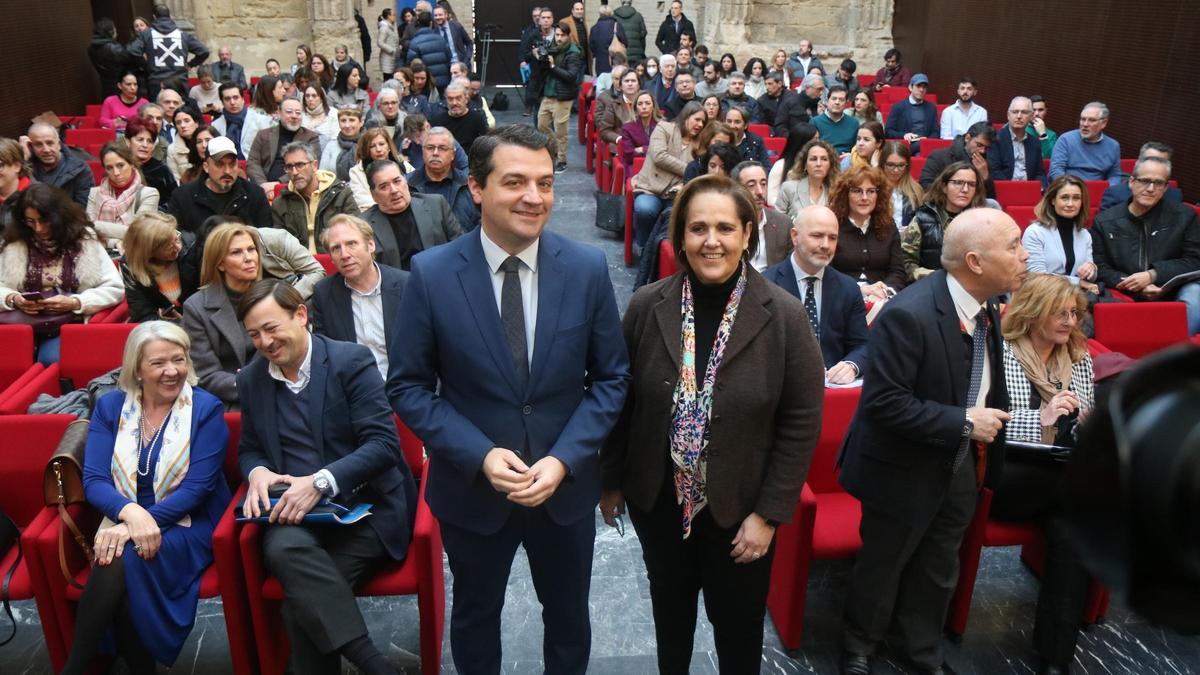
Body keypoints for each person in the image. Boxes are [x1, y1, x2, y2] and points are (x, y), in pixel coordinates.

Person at [388, 123, 630, 675]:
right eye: (516, 181)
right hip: (474, 493)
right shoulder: (432, 273)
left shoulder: (587, 269)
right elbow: (406, 386)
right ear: (476, 188)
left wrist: (565, 458)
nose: (534, 197)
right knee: (475, 617)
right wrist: (480, 454)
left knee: (569, 618)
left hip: (562, 492)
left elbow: (612, 379)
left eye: (545, 183)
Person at [603, 174, 820, 672]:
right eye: (697, 228)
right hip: (660, 501)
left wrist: (768, 516)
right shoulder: (646, 304)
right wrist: (611, 480)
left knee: (738, 634)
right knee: (670, 624)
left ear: (748, 234)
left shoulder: (784, 316)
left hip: (741, 513)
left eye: (725, 227)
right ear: (680, 237)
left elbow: (801, 421)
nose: (711, 240)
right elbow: (622, 399)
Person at [840, 208, 1027, 675]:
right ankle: (858, 647)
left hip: (960, 464)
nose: (1025, 256)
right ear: (975, 261)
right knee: (883, 566)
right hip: (900, 468)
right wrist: (965, 421)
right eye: (1014, 246)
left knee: (939, 567)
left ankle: (921, 651)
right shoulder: (908, 314)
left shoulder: (987, 306)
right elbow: (884, 404)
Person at [237, 279, 416, 675]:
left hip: (364, 509)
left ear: (301, 315)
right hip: (296, 514)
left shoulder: (350, 361)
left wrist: (320, 482)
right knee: (282, 548)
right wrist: (258, 472)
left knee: (301, 608)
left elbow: (384, 445)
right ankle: (374, 664)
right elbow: (249, 448)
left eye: (271, 328)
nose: (264, 342)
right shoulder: (252, 379)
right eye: (253, 335)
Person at [60, 320, 230, 674]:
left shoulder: (206, 409)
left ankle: (75, 668)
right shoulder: (110, 408)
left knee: (118, 557)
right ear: (136, 368)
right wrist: (132, 515)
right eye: (158, 363)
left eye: (179, 360)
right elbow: (94, 481)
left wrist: (135, 523)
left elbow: (198, 489)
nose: (172, 371)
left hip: (192, 524)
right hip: (126, 518)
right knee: (122, 558)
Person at [995, 274, 1095, 675]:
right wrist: (1042, 417)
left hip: (1060, 474)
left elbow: (1088, 412)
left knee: (1074, 530)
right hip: (1009, 472)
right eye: (1060, 312)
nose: (1070, 321)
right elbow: (987, 422)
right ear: (1033, 313)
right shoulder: (1000, 352)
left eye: (1074, 313)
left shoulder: (1079, 356)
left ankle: (1055, 660)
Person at [183, 220, 324, 408]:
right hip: (235, 395)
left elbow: (302, 348)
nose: (249, 258)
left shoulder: (275, 294)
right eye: (236, 253)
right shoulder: (196, 307)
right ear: (220, 264)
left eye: (251, 249)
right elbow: (206, 374)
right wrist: (250, 382)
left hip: (286, 386)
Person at [1, 183, 123, 363]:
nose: (38, 228)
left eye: (44, 220)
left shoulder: (83, 239)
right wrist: (13, 298)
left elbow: (114, 287)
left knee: (51, 359)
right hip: (17, 321)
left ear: (58, 216)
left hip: (66, 323)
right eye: (30, 221)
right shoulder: (14, 242)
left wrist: (76, 302)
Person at [1091, 155, 1200, 335]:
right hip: (1125, 290)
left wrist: (1153, 275)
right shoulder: (1105, 221)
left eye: (1158, 183)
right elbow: (1100, 266)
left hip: (1174, 289)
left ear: (1165, 188)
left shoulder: (1184, 216)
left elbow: (1195, 260)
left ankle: (1170, 354)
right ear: (1131, 182)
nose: (1150, 189)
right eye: (1144, 181)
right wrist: (1136, 285)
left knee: (1196, 296)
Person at [765, 204, 869, 383]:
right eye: (817, 236)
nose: (825, 245)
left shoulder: (848, 289)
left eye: (833, 238)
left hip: (832, 390)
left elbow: (863, 345)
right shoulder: (766, 285)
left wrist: (852, 365)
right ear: (794, 236)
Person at [309, 215, 408, 379]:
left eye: (351, 244)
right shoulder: (324, 293)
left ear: (370, 245)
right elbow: (323, 353)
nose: (345, 254)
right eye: (335, 248)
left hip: (404, 386)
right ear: (331, 258)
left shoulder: (406, 285)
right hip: (355, 392)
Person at [829, 164, 909, 307]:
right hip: (841, 300)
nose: (865, 197)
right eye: (857, 191)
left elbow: (898, 271)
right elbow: (827, 272)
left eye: (871, 191)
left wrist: (884, 292)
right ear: (845, 194)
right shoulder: (832, 225)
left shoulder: (888, 225)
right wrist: (861, 290)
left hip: (882, 301)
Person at [632, 101, 706, 249]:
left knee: (681, 215)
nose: (700, 124)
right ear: (686, 116)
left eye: (703, 122)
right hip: (650, 187)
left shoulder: (700, 143)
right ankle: (645, 248)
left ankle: (662, 252)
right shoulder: (665, 128)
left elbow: (701, 170)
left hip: (676, 193)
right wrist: (688, 169)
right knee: (645, 210)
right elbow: (659, 156)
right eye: (697, 119)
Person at [363, 160, 462, 269]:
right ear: (373, 195)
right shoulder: (364, 225)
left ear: (406, 181)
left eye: (397, 181)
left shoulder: (436, 204)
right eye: (384, 186)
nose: (394, 190)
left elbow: (460, 246)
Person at [166, 137, 273, 235]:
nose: (227, 171)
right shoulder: (183, 196)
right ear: (206, 167)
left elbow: (265, 238)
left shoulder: (254, 194)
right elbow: (176, 239)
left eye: (232, 164)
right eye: (219, 164)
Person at [904, 161, 988, 281]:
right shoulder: (922, 219)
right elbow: (905, 262)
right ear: (944, 187)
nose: (965, 189)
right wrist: (939, 278)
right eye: (958, 183)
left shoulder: (981, 221)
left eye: (971, 184)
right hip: (930, 288)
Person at [272, 142, 358, 252]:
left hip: (336, 260)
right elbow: (279, 246)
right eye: (289, 167)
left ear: (314, 165)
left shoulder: (341, 194)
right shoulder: (280, 203)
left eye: (300, 165)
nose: (294, 172)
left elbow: (356, 233)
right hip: (298, 266)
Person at [1022, 176, 1099, 294]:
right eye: (1064, 198)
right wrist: (1077, 282)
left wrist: (1091, 269)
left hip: (1076, 299)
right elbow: (1036, 277)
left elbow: (1090, 278)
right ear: (1053, 200)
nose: (1070, 204)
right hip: (1042, 299)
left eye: (1076, 198)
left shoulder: (1085, 235)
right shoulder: (1035, 232)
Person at [120, 212, 201, 322]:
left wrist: (187, 322)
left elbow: (210, 300)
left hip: (199, 322)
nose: (178, 247)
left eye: (176, 239)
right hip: (162, 328)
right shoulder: (131, 265)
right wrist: (167, 323)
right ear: (149, 252)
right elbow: (142, 313)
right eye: (168, 247)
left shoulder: (193, 248)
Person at [532, 21, 584, 174]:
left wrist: (553, 67)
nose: (559, 38)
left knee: (561, 131)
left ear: (568, 36)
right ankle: (554, 150)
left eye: (562, 35)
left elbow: (571, 76)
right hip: (548, 93)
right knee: (542, 125)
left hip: (563, 96)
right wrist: (539, 58)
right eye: (557, 34)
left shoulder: (573, 53)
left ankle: (562, 160)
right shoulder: (551, 49)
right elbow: (542, 71)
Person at [86, 141, 161, 247]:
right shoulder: (94, 193)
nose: (116, 173)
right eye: (109, 168)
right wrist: (115, 243)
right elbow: (88, 233)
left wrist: (95, 225)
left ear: (131, 164)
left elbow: (137, 233)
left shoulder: (149, 194)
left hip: (133, 258)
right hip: (100, 256)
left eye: (120, 165)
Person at [126, 4, 208, 98]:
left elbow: (131, 51)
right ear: (169, 16)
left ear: (154, 17)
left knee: (157, 111)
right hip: (179, 81)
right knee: (181, 110)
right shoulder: (183, 35)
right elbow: (204, 51)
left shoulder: (147, 34)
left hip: (156, 81)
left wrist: (146, 65)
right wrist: (190, 64)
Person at [406, 127, 478, 231]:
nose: (435, 153)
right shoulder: (407, 186)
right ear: (423, 151)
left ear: (453, 154)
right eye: (430, 148)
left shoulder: (469, 185)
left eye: (442, 148)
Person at [246, 97, 321, 190]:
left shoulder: (310, 137)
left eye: (298, 113)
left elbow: (311, 167)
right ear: (279, 112)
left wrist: (278, 184)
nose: (294, 116)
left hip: (295, 187)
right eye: (289, 112)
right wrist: (263, 185)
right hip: (264, 188)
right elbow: (253, 163)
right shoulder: (263, 135)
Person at [733, 160, 792, 271]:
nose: (760, 191)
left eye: (763, 184)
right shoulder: (727, 224)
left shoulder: (783, 223)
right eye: (751, 185)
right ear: (737, 189)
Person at [1048, 101, 1121, 184]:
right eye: (1083, 119)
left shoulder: (1113, 146)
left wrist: (1109, 191)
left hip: (1098, 191)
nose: (1085, 124)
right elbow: (1056, 170)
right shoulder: (1066, 139)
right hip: (1069, 189)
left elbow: (1115, 175)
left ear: (1103, 123)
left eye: (1092, 120)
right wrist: (1068, 189)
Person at [920, 120, 996, 199]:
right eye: (979, 145)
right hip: (942, 203)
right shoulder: (939, 156)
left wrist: (985, 178)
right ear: (967, 138)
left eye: (986, 148)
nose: (982, 151)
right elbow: (925, 185)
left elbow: (989, 198)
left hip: (973, 207)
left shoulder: (984, 164)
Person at [23, 123, 94, 206]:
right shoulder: (26, 166)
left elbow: (83, 208)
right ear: (30, 147)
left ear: (59, 144)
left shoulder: (81, 169)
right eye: (38, 145)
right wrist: (23, 161)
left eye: (50, 143)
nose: (46, 150)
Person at [1099, 142, 1183, 210]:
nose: (1155, 167)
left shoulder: (1175, 196)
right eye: (1150, 160)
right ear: (1138, 162)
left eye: (1161, 162)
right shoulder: (1115, 194)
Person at [348, 128, 411, 211]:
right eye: (372, 146)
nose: (378, 149)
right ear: (367, 150)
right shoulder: (357, 172)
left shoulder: (403, 164)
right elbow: (363, 202)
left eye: (381, 144)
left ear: (389, 146)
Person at [988, 96, 1046, 185]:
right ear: (1008, 115)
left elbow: (1039, 173)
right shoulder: (996, 139)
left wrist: (1040, 188)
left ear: (1031, 116)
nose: (1019, 116)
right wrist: (1014, 188)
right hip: (1004, 189)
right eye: (1015, 112)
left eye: (1024, 112)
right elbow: (994, 171)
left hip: (1029, 190)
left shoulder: (1035, 143)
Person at [776, 139, 839, 220]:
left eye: (824, 159)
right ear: (805, 164)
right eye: (813, 159)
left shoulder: (835, 193)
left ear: (830, 165)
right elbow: (777, 223)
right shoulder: (788, 188)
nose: (818, 164)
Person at [211, 81, 272, 160]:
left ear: (243, 99)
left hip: (255, 165)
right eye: (227, 99)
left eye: (236, 97)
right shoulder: (216, 125)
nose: (232, 102)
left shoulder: (261, 120)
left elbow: (269, 149)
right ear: (222, 102)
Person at [431, 81, 491, 157]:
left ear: (466, 99)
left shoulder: (477, 118)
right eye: (450, 99)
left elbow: (486, 144)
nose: (454, 103)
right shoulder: (437, 120)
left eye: (458, 98)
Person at [767, 123, 820, 205]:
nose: (818, 144)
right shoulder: (781, 166)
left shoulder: (819, 165)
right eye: (814, 140)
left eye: (818, 139)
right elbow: (771, 199)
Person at [883, 73, 938, 150]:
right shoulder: (898, 107)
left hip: (923, 146)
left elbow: (936, 132)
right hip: (904, 146)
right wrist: (904, 135)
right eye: (918, 86)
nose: (921, 90)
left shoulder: (931, 108)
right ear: (910, 87)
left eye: (924, 87)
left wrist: (926, 140)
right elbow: (888, 131)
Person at [879, 140, 924, 230]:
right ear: (882, 164)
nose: (896, 170)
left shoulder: (916, 190)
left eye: (901, 165)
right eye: (891, 165)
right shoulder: (874, 189)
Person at [89, 18, 137, 98]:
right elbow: (130, 60)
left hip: (105, 85)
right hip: (120, 86)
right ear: (110, 31)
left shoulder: (91, 48)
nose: (116, 31)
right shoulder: (114, 48)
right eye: (114, 28)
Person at [407, 11, 453, 92]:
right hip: (443, 82)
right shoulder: (441, 39)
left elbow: (412, 64)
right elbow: (449, 58)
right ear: (431, 23)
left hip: (425, 83)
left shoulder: (414, 42)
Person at [619, 90, 659, 178]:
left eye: (648, 103)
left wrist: (642, 149)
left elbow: (665, 151)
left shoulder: (662, 125)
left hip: (659, 166)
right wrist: (652, 150)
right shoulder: (627, 128)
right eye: (640, 104)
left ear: (653, 106)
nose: (644, 107)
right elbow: (629, 155)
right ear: (635, 108)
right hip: (636, 165)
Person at [320, 108, 365, 182]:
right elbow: (322, 175)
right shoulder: (330, 146)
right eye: (343, 121)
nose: (347, 125)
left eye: (352, 120)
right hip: (335, 190)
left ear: (361, 122)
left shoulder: (369, 144)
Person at [812, 85, 860, 154]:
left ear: (846, 103)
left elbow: (856, 149)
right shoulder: (815, 122)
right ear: (827, 101)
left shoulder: (854, 123)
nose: (837, 102)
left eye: (841, 100)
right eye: (834, 99)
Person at [774, 73, 823, 137]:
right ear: (807, 88)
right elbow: (779, 126)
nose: (821, 93)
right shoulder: (791, 103)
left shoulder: (821, 106)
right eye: (819, 89)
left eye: (822, 89)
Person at [589, 4, 627, 76]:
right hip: (616, 60)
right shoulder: (617, 25)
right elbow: (625, 42)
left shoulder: (594, 28)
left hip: (600, 61)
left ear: (600, 14)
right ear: (611, 13)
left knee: (602, 82)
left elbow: (592, 46)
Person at [167, 107, 202, 182]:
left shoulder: (207, 142)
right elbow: (175, 178)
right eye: (178, 123)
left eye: (187, 121)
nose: (182, 125)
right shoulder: (172, 149)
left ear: (196, 123)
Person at [1029, 95, 1058, 160]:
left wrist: (1043, 134)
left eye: (1041, 110)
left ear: (1045, 111)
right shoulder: (1020, 127)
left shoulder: (1051, 135)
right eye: (1033, 110)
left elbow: (1049, 158)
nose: (1036, 113)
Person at [378, 8, 400, 80]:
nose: (395, 16)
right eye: (393, 15)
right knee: (388, 79)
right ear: (388, 16)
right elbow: (380, 42)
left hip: (394, 58)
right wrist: (391, 50)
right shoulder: (384, 28)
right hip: (387, 58)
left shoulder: (393, 26)